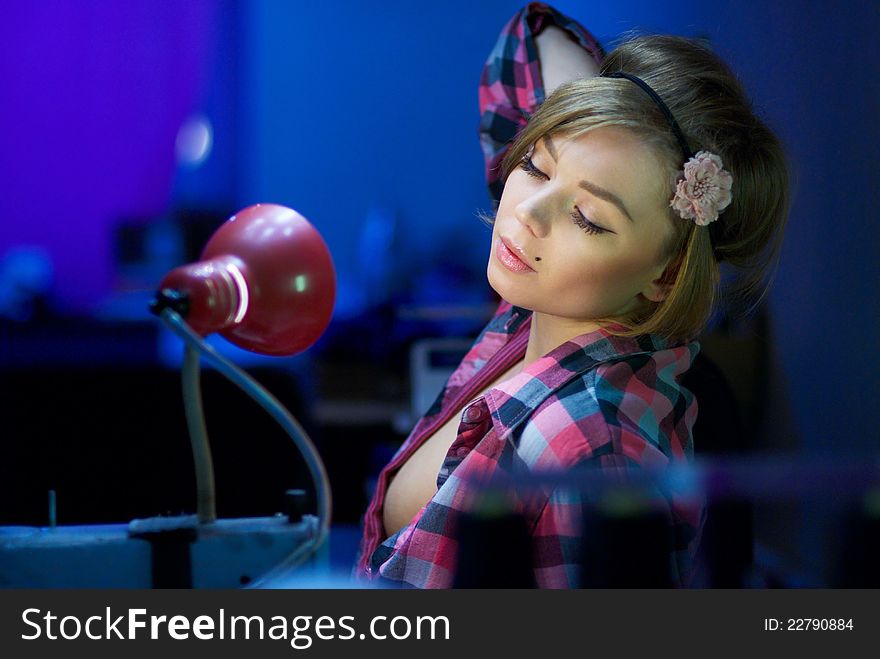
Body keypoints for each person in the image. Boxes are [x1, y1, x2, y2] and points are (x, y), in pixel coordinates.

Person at [353, 2, 789, 588]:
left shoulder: (593, 448)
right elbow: (526, 41)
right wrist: (616, 107)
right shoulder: (537, 309)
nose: (528, 214)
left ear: (665, 274)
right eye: (534, 163)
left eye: (587, 218)